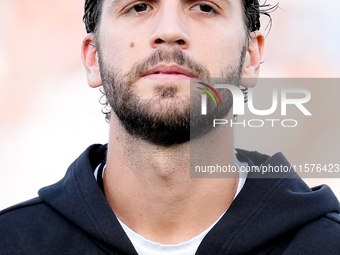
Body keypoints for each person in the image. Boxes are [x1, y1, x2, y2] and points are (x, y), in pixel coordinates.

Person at [1, 0, 340, 254]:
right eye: (138, 6)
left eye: (205, 7)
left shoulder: (326, 245)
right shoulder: (13, 242)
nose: (169, 32)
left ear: (251, 57)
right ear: (93, 58)